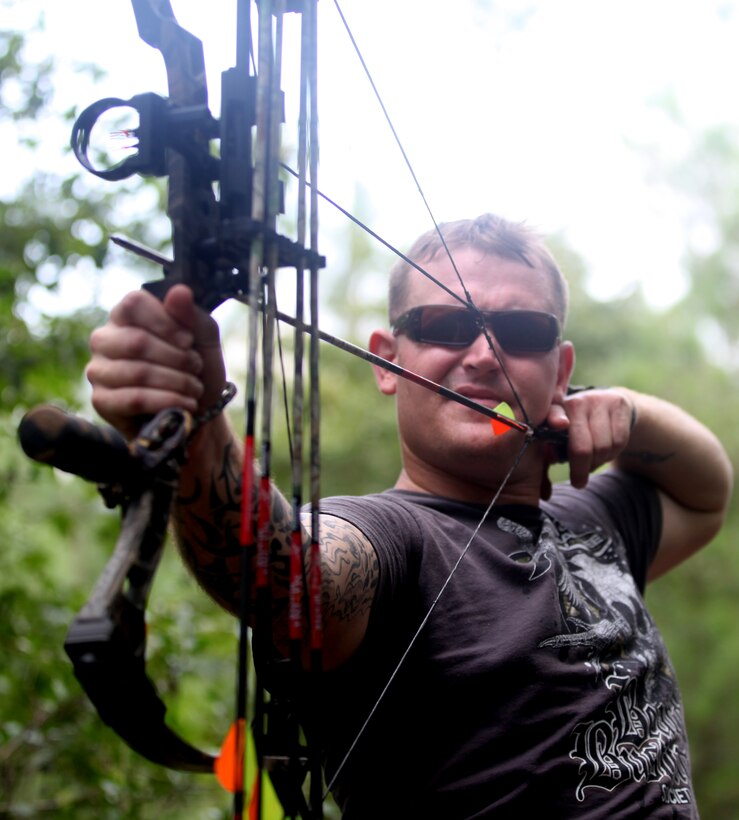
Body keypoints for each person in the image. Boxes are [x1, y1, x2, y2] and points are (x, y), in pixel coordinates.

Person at [86, 214, 732, 818]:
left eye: (520, 333)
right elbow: (288, 578)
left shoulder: (595, 514)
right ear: (387, 360)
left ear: (559, 370)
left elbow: (707, 490)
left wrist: (629, 411)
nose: (483, 354)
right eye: (446, 326)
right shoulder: (389, 538)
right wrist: (197, 422)